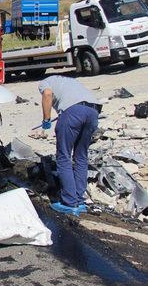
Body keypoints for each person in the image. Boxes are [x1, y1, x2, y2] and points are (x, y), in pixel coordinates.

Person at [37, 75, 101, 215]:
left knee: (63, 156)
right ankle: (79, 200)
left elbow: (47, 94)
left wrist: (46, 119)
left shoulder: (45, 82)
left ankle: (69, 202)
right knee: (81, 157)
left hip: (72, 112)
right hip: (93, 111)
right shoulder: (70, 81)